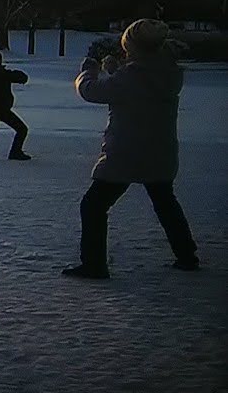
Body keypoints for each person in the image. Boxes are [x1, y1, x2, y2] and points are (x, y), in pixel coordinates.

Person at [62, 19, 199, 280]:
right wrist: (116, 71)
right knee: (165, 202)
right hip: (160, 150)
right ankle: (186, 255)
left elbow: (92, 91)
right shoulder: (167, 71)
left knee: (93, 205)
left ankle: (94, 264)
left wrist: (88, 70)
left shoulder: (132, 76)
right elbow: (136, 83)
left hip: (127, 152)